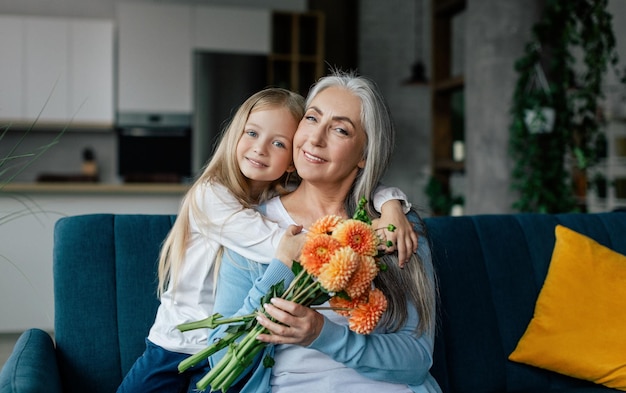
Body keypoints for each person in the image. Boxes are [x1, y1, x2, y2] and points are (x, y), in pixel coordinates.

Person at [117, 87, 418, 393]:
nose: (260, 149)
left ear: (291, 161)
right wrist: (349, 244)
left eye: (278, 143)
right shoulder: (212, 195)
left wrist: (391, 201)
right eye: (251, 133)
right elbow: (283, 244)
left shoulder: (270, 197)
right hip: (176, 342)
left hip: (231, 357)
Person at [207, 70, 442, 393]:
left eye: (340, 130)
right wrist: (282, 267)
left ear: (364, 156)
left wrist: (322, 333)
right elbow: (221, 360)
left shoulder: (395, 227)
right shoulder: (252, 227)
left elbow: (416, 360)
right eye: (312, 119)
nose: (315, 139)